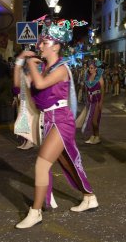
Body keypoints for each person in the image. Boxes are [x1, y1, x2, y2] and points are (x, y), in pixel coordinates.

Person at [13, 23, 97, 229]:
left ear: (56, 46)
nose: (40, 46)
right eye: (40, 42)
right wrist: (19, 62)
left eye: (45, 42)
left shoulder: (61, 68)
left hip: (61, 119)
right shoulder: (44, 68)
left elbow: (40, 85)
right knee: (67, 162)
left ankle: (36, 212)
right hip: (48, 120)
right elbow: (18, 85)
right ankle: (89, 196)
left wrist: (30, 61)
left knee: (41, 164)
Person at [80, 60, 105, 144]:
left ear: (95, 69)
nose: (90, 69)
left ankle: (97, 137)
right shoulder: (88, 77)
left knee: (94, 121)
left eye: (92, 68)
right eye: (89, 68)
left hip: (97, 100)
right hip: (90, 100)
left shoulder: (99, 77)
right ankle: (93, 136)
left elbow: (102, 90)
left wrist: (101, 102)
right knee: (91, 120)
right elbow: (87, 89)